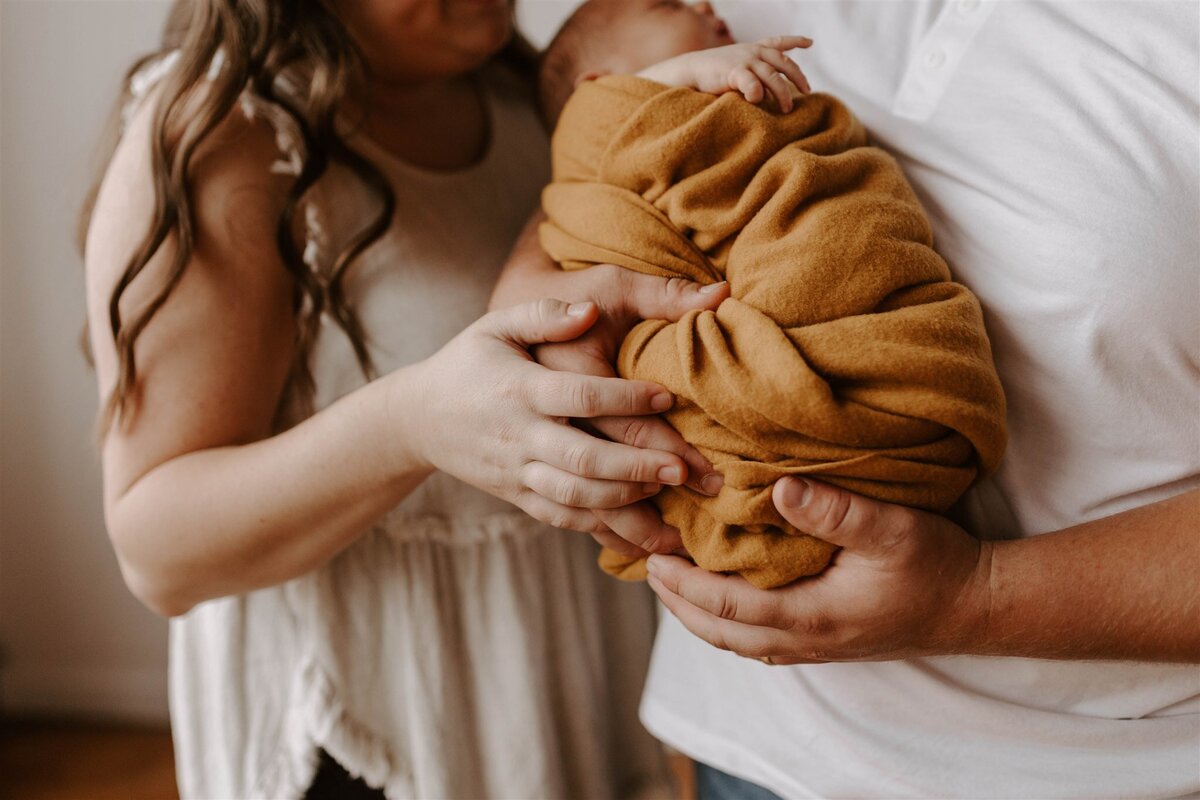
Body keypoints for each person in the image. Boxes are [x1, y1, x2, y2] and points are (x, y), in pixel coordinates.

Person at [494, 1, 1200, 797]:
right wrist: (546, 301)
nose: (703, 10)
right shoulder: (690, 32)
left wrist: (977, 596)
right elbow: (608, 142)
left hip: (1093, 770)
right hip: (754, 738)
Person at [81, 0, 731, 797]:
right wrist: (411, 425)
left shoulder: (523, 93)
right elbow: (157, 552)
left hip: (563, 680)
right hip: (375, 723)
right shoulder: (225, 137)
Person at [531, 0, 1007, 590]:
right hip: (746, 334)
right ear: (599, 88)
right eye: (668, 4)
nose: (702, 5)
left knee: (837, 237)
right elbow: (593, 130)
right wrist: (680, 79)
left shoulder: (679, 111)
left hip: (789, 269)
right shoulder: (602, 130)